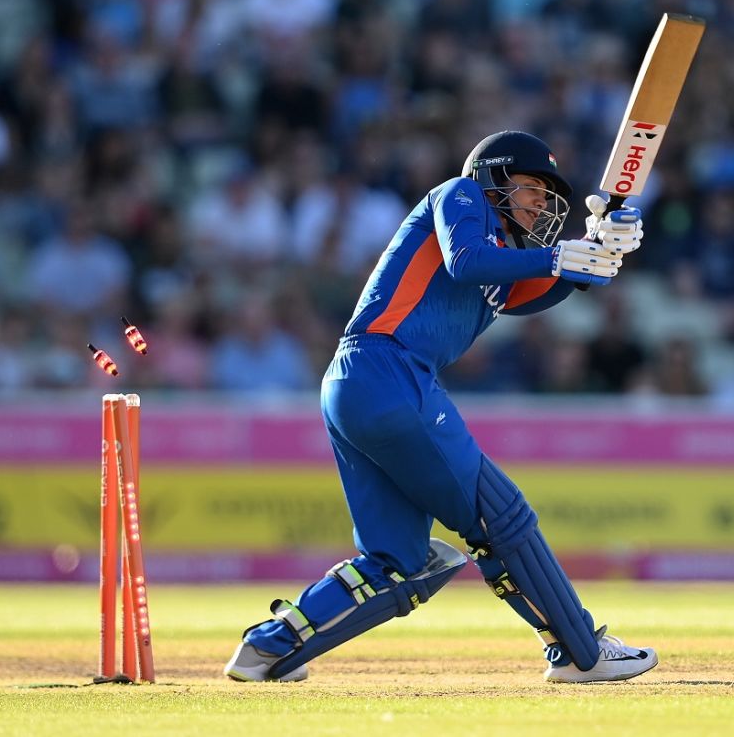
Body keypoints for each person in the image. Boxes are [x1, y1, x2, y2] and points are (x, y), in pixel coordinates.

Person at [224, 131, 655, 684]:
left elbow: (542, 286)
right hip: (390, 370)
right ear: (495, 177)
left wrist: (599, 252)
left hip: (356, 385)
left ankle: (267, 651)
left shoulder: (507, 256)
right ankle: (581, 652)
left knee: (398, 561)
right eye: (533, 188)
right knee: (501, 517)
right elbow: (467, 262)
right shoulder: (461, 194)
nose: (543, 203)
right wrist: (563, 256)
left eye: (549, 196)